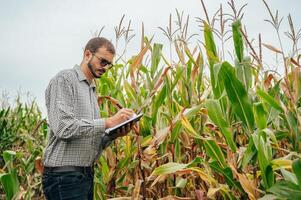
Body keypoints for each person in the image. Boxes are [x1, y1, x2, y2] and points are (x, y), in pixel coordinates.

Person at [42, 37, 134, 200]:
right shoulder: (65, 79)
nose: (105, 68)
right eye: (103, 61)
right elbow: (64, 128)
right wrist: (108, 122)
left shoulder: (91, 90)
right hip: (64, 178)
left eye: (109, 64)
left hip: (84, 176)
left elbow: (89, 140)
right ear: (87, 54)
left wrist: (112, 134)